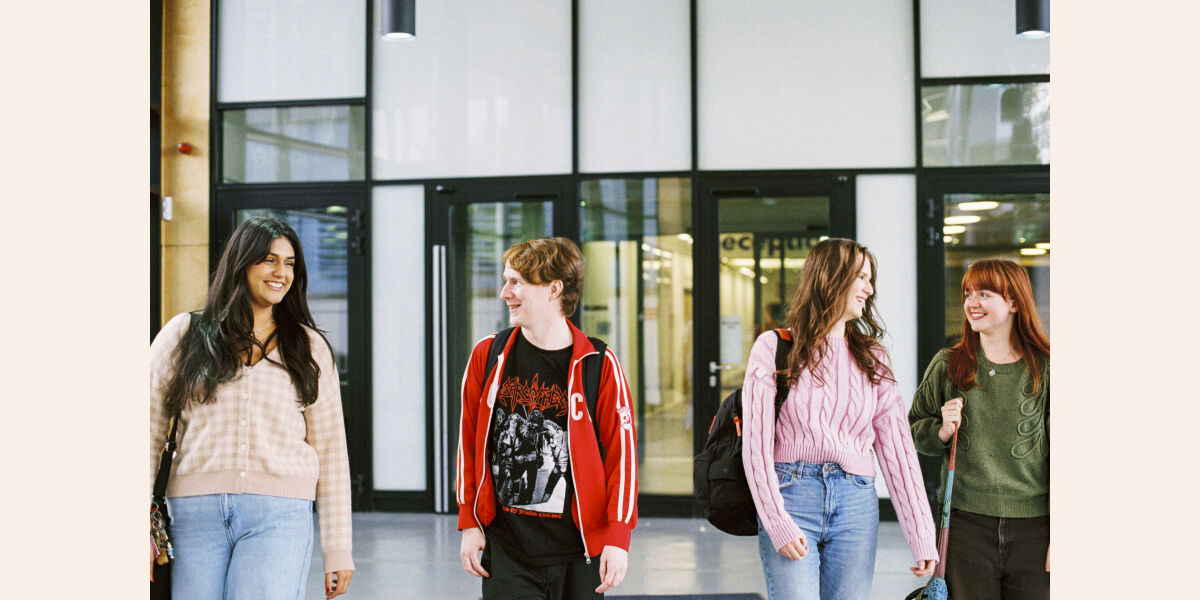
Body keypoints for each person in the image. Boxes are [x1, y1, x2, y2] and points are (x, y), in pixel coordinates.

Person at [149, 217, 354, 599]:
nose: (281, 273)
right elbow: (146, 432)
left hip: (279, 516)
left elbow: (330, 450)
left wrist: (338, 548)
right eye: (269, 260)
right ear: (241, 263)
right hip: (194, 517)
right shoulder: (184, 335)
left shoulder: (308, 347)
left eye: (289, 263)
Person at [742, 237, 938, 600]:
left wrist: (922, 534)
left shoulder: (873, 357)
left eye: (870, 279)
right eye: (861, 277)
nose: (869, 289)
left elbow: (898, 450)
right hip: (792, 495)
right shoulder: (774, 347)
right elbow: (756, 447)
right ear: (831, 278)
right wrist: (776, 522)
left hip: (856, 503)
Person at [456, 237, 638, 599]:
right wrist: (469, 521)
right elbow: (468, 443)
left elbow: (623, 457)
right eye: (506, 281)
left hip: (580, 550)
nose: (505, 293)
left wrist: (618, 536)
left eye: (517, 282)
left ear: (554, 289)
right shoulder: (488, 355)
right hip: (508, 547)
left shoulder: (599, 364)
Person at [908, 259, 1050, 600]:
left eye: (984, 294)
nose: (972, 302)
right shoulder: (948, 364)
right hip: (965, 525)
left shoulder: (1045, 368)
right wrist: (941, 431)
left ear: (1014, 302)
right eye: (968, 294)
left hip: (1036, 526)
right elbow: (911, 430)